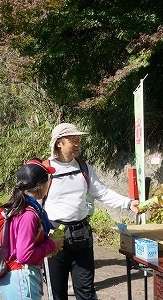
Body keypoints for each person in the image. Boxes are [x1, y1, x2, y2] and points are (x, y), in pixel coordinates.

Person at [44, 123, 139, 300]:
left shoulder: (83, 167)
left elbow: (102, 192)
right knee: (57, 294)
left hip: (81, 236)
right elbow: (32, 203)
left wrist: (128, 203)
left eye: (79, 140)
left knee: (86, 292)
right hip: (53, 238)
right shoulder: (45, 170)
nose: (78, 144)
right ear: (59, 143)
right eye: (73, 140)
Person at [0, 159, 64, 299]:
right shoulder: (29, 215)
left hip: (14, 278)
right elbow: (24, 255)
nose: (49, 184)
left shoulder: (18, 208)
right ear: (40, 185)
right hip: (22, 279)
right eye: (48, 180)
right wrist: (52, 244)